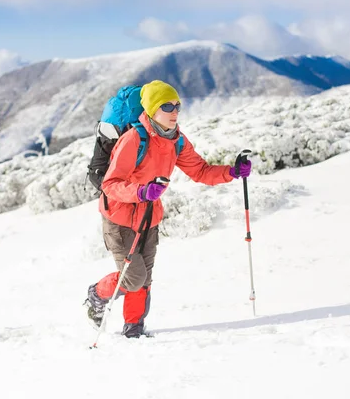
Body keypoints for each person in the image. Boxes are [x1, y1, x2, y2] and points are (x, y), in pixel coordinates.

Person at [83, 80, 252, 338]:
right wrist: (140, 191)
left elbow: (201, 171)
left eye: (177, 106)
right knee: (133, 278)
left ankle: (134, 330)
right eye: (167, 106)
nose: (174, 111)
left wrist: (232, 172)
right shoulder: (133, 139)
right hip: (119, 218)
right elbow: (110, 184)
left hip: (149, 217)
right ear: (151, 110)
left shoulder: (177, 141)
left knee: (145, 279)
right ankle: (97, 294)